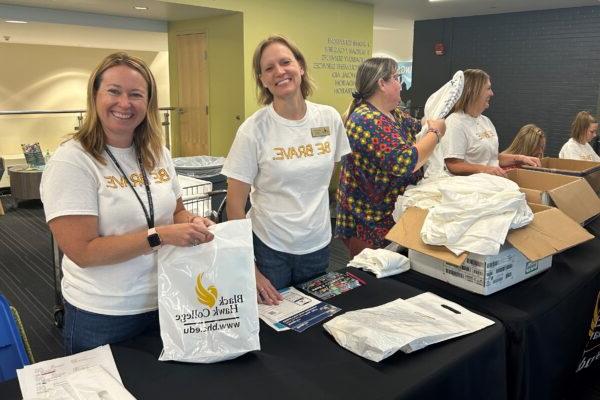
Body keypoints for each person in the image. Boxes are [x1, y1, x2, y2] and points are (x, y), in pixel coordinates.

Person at [40, 53, 215, 355]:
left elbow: (176, 211)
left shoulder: (157, 151)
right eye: (114, 91)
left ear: (148, 103)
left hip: (167, 298)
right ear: (95, 96)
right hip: (104, 314)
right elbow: (82, 251)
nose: (125, 103)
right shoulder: (72, 161)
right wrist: (159, 236)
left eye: (136, 94)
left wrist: (192, 222)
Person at [221, 35, 351, 305]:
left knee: (313, 324)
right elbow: (234, 207)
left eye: (285, 62)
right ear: (263, 80)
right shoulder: (253, 130)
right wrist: (251, 269)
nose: (279, 72)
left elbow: (330, 178)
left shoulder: (328, 119)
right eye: (269, 68)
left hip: (318, 245)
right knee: (272, 329)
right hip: (269, 248)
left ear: (300, 67)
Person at [335, 57, 446, 258]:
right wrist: (436, 133)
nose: (401, 84)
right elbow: (405, 163)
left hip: (390, 217)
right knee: (372, 278)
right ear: (382, 84)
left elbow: (419, 129)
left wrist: (431, 124)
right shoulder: (366, 120)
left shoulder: (394, 114)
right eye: (396, 78)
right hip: (369, 222)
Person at [443, 69, 540, 176]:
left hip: (489, 181)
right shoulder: (455, 123)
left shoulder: (486, 121)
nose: (492, 93)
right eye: (488, 88)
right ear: (474, 91)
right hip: (469, 185)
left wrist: (520, 158)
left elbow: (492, 158)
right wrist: (485, 169)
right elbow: (453, 165)